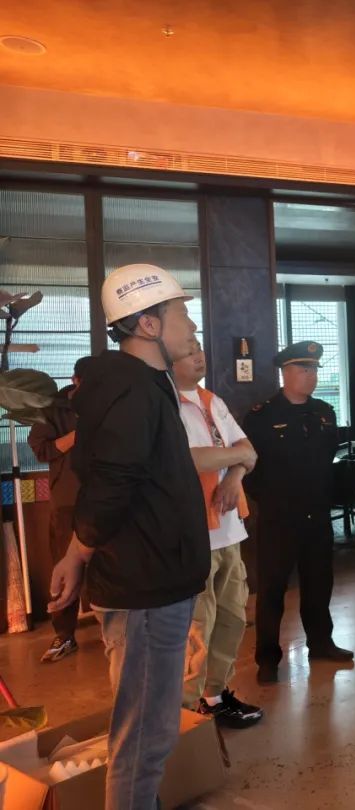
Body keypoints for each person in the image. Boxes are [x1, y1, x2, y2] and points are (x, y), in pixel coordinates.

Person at [48, 263, 208, 810]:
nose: (192, 325)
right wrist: (76, 553)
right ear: (148, 324)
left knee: (148, 730)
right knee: (143, 736)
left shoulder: (144, 385)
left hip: (158, 581)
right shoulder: (132, 390)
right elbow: (111, 484)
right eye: (182, 313)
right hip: (144, 589)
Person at [243, 341, 352, 684]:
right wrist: (271, 500)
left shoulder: (324, 412)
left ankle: (321, 643)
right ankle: (267, 658)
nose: (311, 376)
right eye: (304, 369)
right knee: (272, 588)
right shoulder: (261, 416)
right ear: (285, 373)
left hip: (316, 513)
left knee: (319, 582)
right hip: (279, 516)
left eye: (315, 369)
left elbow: (327, 459)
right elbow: (249, 468)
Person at [172, 343, 263, 728]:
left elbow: (249, 451)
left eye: (199, 349)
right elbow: (189, 460)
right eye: (189, 350)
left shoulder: (212, 400)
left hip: (229, 530)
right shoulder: (166, 403)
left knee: (232, 619)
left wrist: (234, 478)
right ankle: (183, 712)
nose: (199, 355)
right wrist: (235, 457)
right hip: (195, 534)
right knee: (197, 628)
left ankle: (214, 696)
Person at [28, 355, 92, 663]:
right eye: (87, 383)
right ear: (74, 380)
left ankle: (117, 627)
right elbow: (41, 450)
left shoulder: (109, 404)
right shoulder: (52, 408)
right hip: (68, 499)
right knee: (64, 568)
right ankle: (64, 635)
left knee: (111, 566)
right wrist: (79, 435)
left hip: (106, 497)